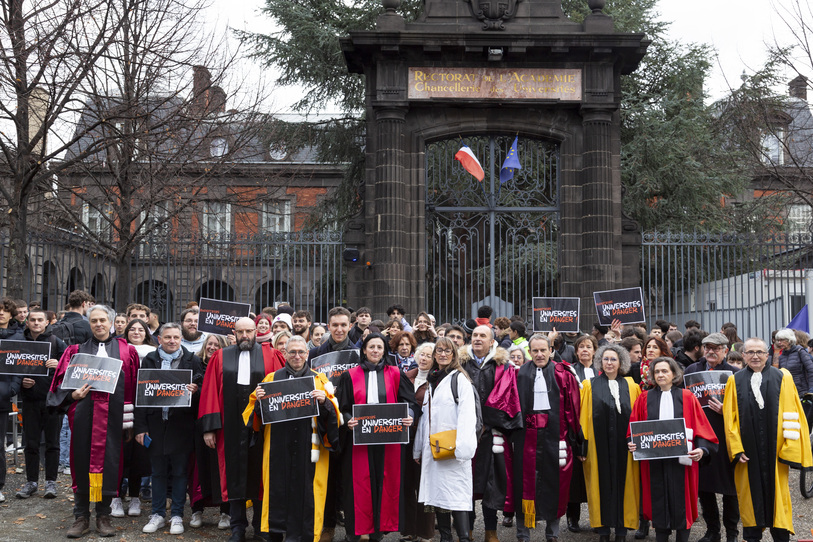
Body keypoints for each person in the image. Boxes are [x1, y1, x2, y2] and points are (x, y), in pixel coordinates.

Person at [48, 304, 140, 538]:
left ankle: (103, 516)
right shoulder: (75, 351)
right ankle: (81, 516)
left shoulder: (127, 351)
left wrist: (130, 421)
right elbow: (60, 385)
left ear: (111, 322)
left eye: (102, 320)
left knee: (110, 464)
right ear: (89, 324)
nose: (98, 324)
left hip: (114, 418)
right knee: (80, 462)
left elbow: (134, 387)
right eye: (94, 321)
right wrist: (72, 395)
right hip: (83, 416)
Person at [243, 335, 341, 542]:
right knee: (278, 492)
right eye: (292, 352)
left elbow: (336, 415)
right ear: (285, 354)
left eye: (301, 352)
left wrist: (324, 402)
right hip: (278, 446)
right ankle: (276, 535)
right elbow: (251, 417)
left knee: (307, 494)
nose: (297, 356)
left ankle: (305, 536)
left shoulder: (319, 380)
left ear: (307, 354)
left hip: (309, 447)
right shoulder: (271, 380)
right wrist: (259, 401)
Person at [198, 317, 283, 542]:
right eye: (240, 332)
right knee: (233, 475)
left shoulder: (271, 355)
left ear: (256, 331)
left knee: (261, 474)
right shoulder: (220, 357)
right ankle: (237, 527)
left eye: (249, 331)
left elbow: (281, 389)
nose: (245, 335)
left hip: (262, 426)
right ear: (234, 333)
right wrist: (209, 429)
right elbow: (209, 392)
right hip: (229, 427)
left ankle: (261, 526)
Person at [723, 338, 813, 542]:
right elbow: (730, 419)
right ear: (743, 355)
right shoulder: (734, 381)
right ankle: (752, 536)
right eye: (750, 352)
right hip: (748, 452)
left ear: (767, 355)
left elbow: (793, 414)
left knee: (778, 498)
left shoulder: (783, 377)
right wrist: (736, 449)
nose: (755, 356)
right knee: (750, 497)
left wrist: (789, 449)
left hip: (776, 450)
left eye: (760, 352)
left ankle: (780, 536)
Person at [338, 333, 418, 542]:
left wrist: (409, 415)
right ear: (364, 350)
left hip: (388, 441)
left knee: (385, 483)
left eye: (379, 347)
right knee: (360, 485)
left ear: (384, 351)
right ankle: (356, 531)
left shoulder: (396, 374)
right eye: (371, 347)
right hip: (359, 441)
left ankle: (378, 531)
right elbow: (342, 407)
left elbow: (410, 402)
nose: (375, 350)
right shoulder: (349, 375)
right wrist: (347, 420)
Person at [627, 357, 718, 542]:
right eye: (657, 372)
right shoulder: (644, 398)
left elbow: (701, 426)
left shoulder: (687, 397)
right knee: (658, 501)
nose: (660, 375)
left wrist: (702, 450)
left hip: (682, 461)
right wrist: (632, 442)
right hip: (654, 461)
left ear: (674, 373)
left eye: (665, 371)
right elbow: (633, 427)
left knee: (682, 502)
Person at [511, 334, 581, 542]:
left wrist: (576, 441)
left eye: (543, 350)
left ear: (551, 350)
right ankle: (523, 533)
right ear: (529, 352)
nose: (539, 354)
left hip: (555, 437)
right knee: (523, 485)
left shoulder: (564, 374)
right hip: (525, 439)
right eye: (535, 351)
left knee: (555, 485)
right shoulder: (518, 374)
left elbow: (573, 410)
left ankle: (552, 534)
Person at [136, 322, 204, 535]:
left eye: (176, 337)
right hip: (155, 424)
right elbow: (141, 395)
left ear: (181, 338)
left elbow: (203, 391)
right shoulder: (149, 360)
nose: (172, 341)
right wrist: (140, 427)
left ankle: (176, 515)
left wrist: (195, 391)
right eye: (167, 337)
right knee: (157, 472)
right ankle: (157, 514)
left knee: (180, 472)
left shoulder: (192, 360)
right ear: (159, 339)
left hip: (181, 425)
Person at [414, 337, 478, 542]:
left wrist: (462, 449)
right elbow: (426, 417)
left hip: (454, 450)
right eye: (439, 350)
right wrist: (418, 449)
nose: (442, 354)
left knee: (457, 496)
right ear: (434, 355)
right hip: (435, 448)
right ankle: (445, 537)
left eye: (447, 351)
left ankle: (464, 538)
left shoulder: (459, 379)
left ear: (454, 355)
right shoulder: (433, 380)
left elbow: (468, 416)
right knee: (439, 495)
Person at [580, 344, 641, 542]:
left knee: (626, 485)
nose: (609, 363)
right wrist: (582, 446)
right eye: (605, 359)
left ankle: (622, 531)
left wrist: (637, 440)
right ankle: (603, 530)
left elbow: (638, 418)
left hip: (625, 446)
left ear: (621, 362)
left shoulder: (632, 386)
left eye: (613, 359)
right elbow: (583, 418)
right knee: (600, 485)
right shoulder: (589, 386)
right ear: (600, 361)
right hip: (598, 446)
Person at [684, 333, 740, 542]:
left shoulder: (734, 373)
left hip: (726, 437)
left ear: (725, 350)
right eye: (707, 347)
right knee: (704, 487)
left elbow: (743, 407)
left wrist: (727, 410)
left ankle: (732, 533)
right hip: (701, 437)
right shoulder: (692, 371)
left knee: (730, 489)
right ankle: (712, 531)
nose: (711, 351)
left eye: (716, 348)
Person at [458, 325, 512, 542]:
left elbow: (508, 398)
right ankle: (467, 529)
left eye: (483, 336)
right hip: (466, 432)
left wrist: (489, 423)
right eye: (475, 335)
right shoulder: (460, 364)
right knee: (466, 482)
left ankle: (491, 531)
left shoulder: (502, 366)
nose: (478, 339)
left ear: (492, 342)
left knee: (492, 484)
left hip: (492, 433)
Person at [15, 309, 66, 500]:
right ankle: (31, 482)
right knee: (31, 443)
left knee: (52, 443)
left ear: (47, 322)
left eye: (40, 320)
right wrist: (21, 382)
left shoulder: (57, 342)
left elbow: (71, 368)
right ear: (27, 322)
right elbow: (11, 368)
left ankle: (51, 481)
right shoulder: (20, 342)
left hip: (52, 401)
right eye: (33, 320)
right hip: (30, 401)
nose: (36, 323)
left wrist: (59, 364)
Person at [112, 318, 157, 518]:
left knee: (139, 456)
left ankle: (135, 497)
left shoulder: (154, 353)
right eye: (132, 329)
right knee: (118, 454)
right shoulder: (117, 350)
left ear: (146, 333)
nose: (136, 332)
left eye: (141, 329)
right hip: (119, 407)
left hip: (144, 409)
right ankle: (115, 497)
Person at [191, 333, 231, 530]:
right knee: (198, 469)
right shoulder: (195, 364)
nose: (212, 347)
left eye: (217, 344)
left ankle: (225, 512)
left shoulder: (227, 366)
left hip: (221, 423)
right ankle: (196, 510)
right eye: (210, 343)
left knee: (221, 469)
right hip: (197, 424)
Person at [402, 342, 436, 542]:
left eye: (428, 355)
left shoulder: (437, 380)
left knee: (425, 485)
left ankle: (426, 532)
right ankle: (410, 530)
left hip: (425, 438)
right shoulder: (406, 377)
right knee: (407, 484)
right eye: (422, 354)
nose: (424, 358)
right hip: (404, 437)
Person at [566, 334, 598, 532]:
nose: (585, 350)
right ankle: (573, 517)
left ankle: (598, 518)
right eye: (581, 347)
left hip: (597, 428)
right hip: (576, 427)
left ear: (595, 350)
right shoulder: (570, 372)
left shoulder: (601, 371)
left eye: (589, 346)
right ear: (576, 351)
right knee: (575, 477)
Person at [769, 328, 813, 398]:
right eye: (778, 340)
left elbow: (811, 370)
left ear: (789, 340)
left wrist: (811, 390)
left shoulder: (800, 351)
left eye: (782, 340)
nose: (779, 342)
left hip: (802, 391)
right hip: (788, 392)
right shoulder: (781, 356)